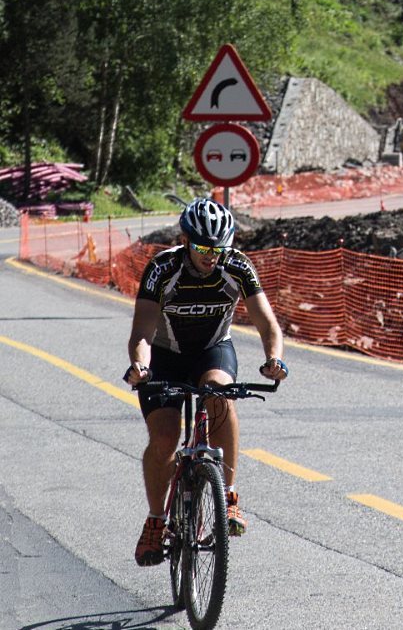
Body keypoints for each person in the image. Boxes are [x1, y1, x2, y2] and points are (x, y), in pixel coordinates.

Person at [125, 198, 288, 566]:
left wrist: (273, 359)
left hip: (213, 349)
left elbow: (267, 323)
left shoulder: (237, 266)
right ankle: (156, 519)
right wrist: (140, 366)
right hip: (164, 355)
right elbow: (142, 331)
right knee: (165, 436)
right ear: (185, 241)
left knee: (219, 393)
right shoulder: (162, 268)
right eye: (201, 247)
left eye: (218, 248)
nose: (210, 256)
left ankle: (227, 495)